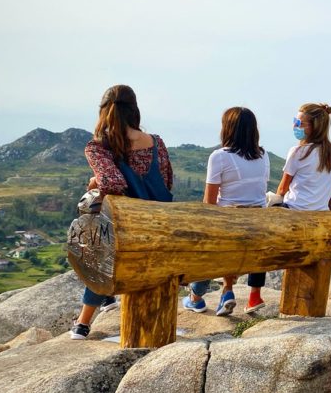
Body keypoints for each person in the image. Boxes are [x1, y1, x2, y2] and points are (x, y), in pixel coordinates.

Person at [70, 85, 174, 340]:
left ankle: (83, 323)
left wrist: (95, 181)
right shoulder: (156, 142)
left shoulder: (98, 146)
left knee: (97, 247)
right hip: (157, 221)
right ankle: (105, 300)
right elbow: (167, 180)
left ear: (103, 111)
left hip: (124, 225)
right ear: (134, 110)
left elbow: (113, 184)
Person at [183, 107, 270, 316]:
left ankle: (200, 296)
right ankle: (228, 292)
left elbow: (209, 201)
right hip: (258, 226)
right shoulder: (263, 155)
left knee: (207, 246)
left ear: (228, 129)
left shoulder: (219, 157)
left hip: (228, 224)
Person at [269, 102, 331, 212]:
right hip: (321, 212)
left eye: (299, 123)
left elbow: (282, 189)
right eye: (294, 121)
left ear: (314, 127)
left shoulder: (298, 152)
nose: (294, 126)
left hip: (294, 211)